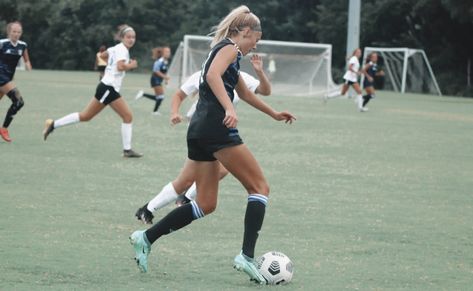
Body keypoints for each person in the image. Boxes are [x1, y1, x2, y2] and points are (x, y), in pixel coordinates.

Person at [129, 5, 295, 283]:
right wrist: (229, 108)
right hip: (216, 127)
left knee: (206, 202)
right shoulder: (228, 48)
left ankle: (146, 237)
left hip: (199, 130)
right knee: (259, 188)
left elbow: (247, 93)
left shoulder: (227, 53)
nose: (257, 43)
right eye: (256, 37)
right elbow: (211, 77)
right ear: (244, 32)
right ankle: (246, 256)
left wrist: (274, 113)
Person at [134, 53, 271, 225]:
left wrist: (259, 72)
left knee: (209, 174)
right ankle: (158, 206)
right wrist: (174, 113)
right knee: (189, 179)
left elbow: (265, 91)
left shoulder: (239, 76)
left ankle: (158, 206)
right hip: (203, 131)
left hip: (220, 132)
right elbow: (178, 95)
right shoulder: (202, 74)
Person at [43, 25, 143, 158]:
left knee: (86, 116)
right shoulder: (122, 50)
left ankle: (53, 124)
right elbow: (120, 67)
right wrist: (131, 65)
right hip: (109, 88)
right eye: (128, 37)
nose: (131, 39)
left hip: (106, 87)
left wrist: (110, 66)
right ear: (122, 38)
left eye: (133, 37)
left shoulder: (116, 48)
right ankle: (127, 150)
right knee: (126, 116)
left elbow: (102, 55)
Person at [0, 21, 32, 142]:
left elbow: (26, 59)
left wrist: (28, 65)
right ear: (9, 32)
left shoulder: (23, 45)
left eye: (19, 32)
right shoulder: (2, 43)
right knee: (19, 102)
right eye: (14, 31)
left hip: (8, 77)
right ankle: (4, 128)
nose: (16, 34)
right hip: (1, 76)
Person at [135, 46, 171, 115]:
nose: (168, 53)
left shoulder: (165, 61)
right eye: (167, 52)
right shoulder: (159, 61)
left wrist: (166, 80)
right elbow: (156, 71)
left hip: (158, 80)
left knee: (159, 97)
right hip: (155, 80)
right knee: (161, 97)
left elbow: (164, 72)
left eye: (169, 52)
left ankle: (143, 94)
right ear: (163, 53)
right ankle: (154, 111)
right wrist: (165, 77)